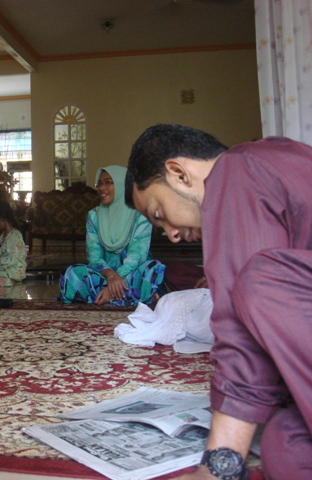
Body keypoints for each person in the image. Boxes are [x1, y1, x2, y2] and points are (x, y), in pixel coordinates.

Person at [125, 124, 312, 479]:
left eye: (159, 214)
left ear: (179, 173)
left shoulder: (237, 168)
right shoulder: (276, 156)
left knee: (260, 280)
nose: (172, 235)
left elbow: (241, 333)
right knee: (285, 445)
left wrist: (218, 468)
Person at [59, 165, 165, 306]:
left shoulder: (140, 214)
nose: (102, 188)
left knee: (153, 268)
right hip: (104, 275)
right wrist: (111, 276)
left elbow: (137, 256)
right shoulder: (94, 216)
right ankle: (134, 296)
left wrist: (113, 285)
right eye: (99, 183)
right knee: (71, 273)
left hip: (131, 273)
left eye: (108, 182)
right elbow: (94, 258)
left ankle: (107, 295)